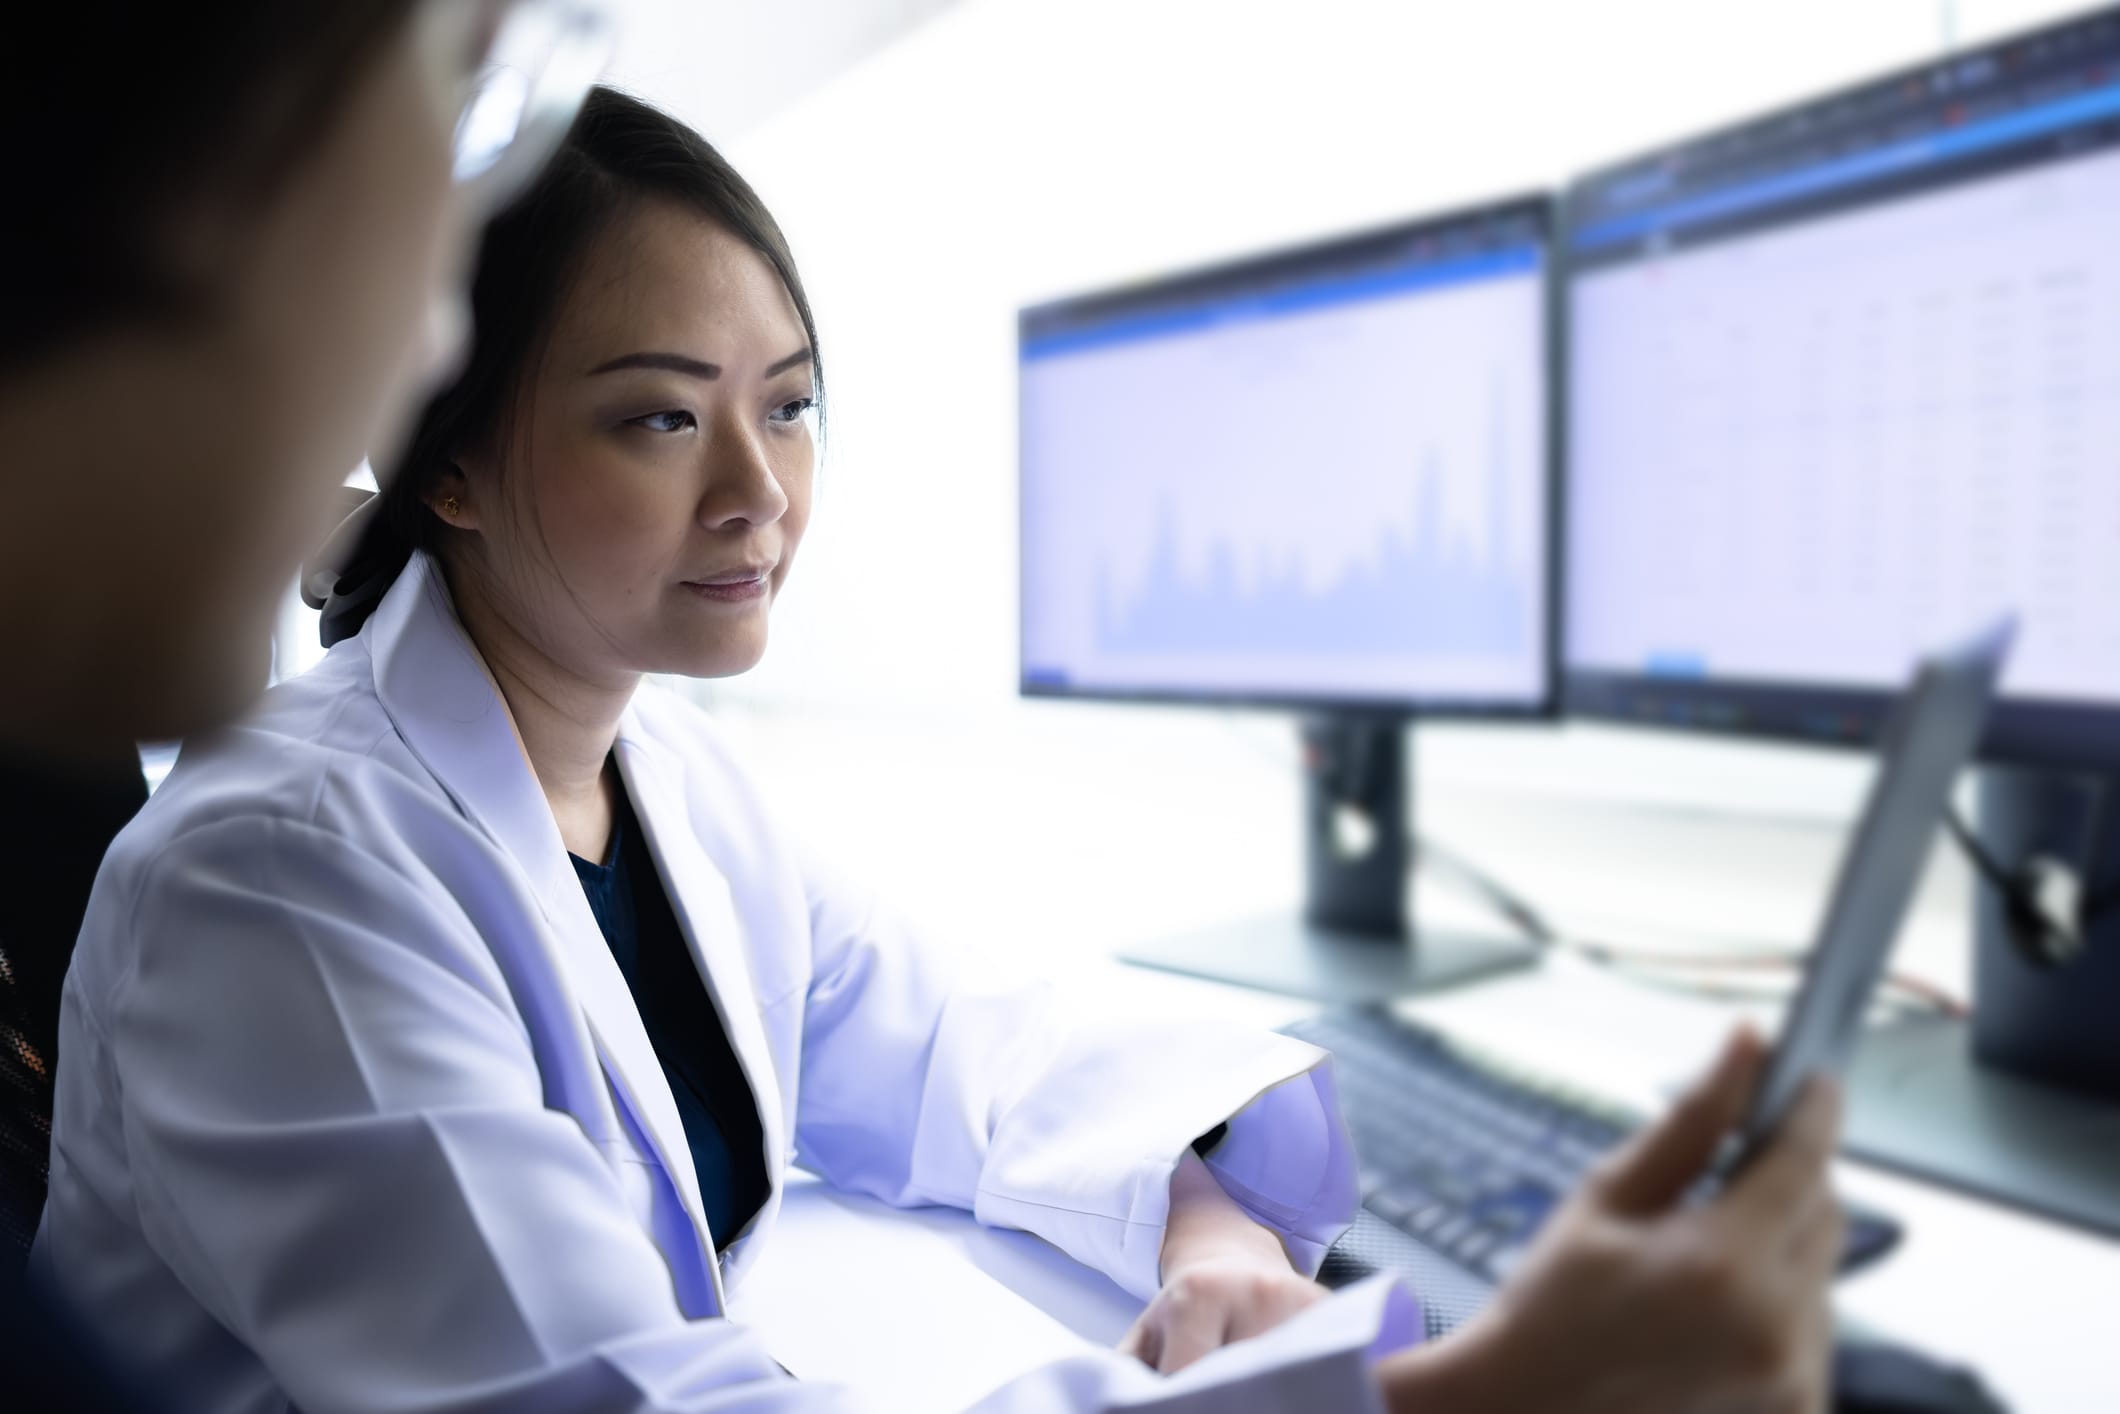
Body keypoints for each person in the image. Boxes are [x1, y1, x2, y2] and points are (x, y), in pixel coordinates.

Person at [39, 84, 1846, 1413]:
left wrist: (1208, 1221)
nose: (759, 494)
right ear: (444, 460)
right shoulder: (282, 882)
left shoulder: (667, 780)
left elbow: (957, 1050)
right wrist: (1467, 1393)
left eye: (791, 407)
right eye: (659, 418)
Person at [0, 2, 619, 1399]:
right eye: (466, 107)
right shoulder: (260, 853)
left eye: (791, 406)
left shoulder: (59, 769)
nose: (434, 341)